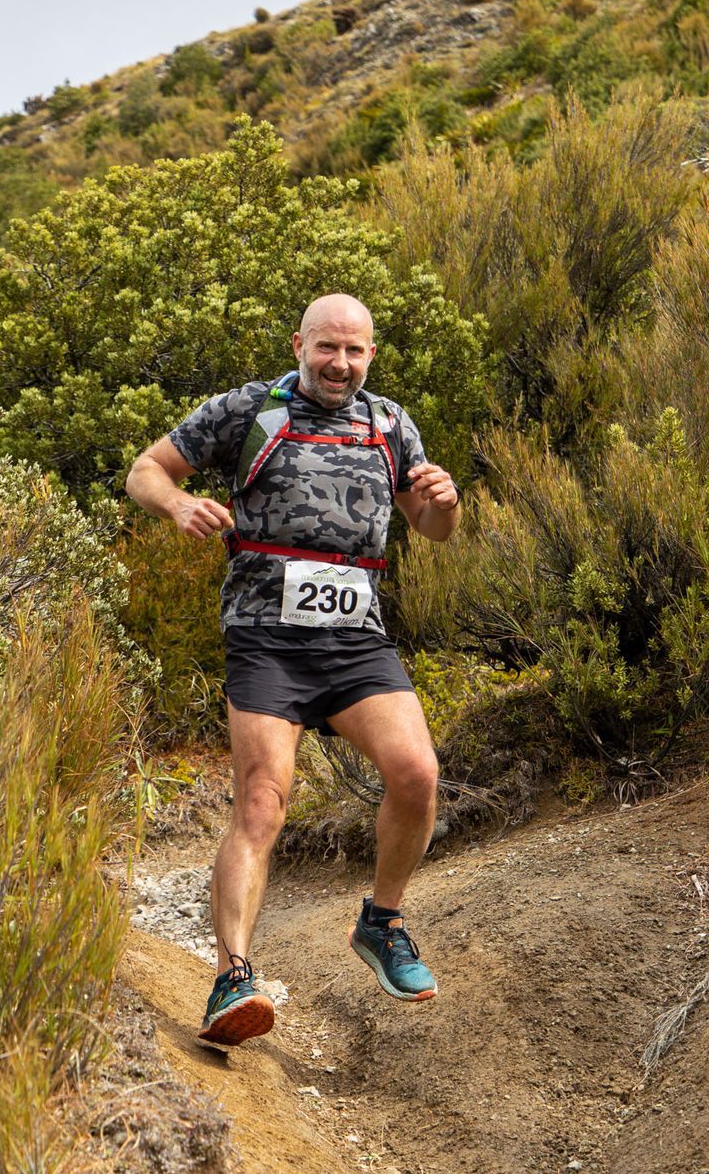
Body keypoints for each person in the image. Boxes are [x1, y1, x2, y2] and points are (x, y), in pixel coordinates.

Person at [123, 292, 462, 1047]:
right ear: (299, 345)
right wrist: (176, 505)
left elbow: (432, 528)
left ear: (371, 355)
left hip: (356, 642)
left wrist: (445, 502)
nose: (339, 363)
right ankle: (231, 979)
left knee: (417, 773)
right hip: (266, 640)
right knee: (262, 803)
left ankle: (382, 924)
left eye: (354, 350)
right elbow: (146, 469)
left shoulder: (389, 424)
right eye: (326, 347)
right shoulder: (249, 410)